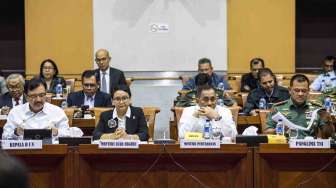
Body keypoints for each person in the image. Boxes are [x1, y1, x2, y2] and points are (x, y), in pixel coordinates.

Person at [265, 74, 335, 139]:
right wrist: (279, 130)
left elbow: (329, 135)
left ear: (308, 91)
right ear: (290, 90)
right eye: (297, 90)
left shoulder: (317, 110)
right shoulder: (278, 108)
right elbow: (267, 131)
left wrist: (327, 120)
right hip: (285, 147)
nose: (300, 94)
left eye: (304, 91)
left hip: (309, 149)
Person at [2, 77, 69, 140]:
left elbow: (68, 135)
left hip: (50, 151)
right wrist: (16, 132)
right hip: (24, 151)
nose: (38, 100)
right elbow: (4, 137)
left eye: (42, 95)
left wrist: (57, 132)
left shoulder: (57, 111)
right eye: (33, 96)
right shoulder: (15, 112)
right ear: (26, 96)